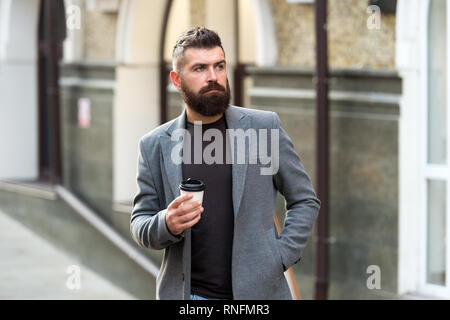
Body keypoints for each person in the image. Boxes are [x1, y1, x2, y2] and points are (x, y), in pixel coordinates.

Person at [130, 27, 320, 300]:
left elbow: (304, 199)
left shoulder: (263, 128)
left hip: (260, 295)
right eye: (199, 69)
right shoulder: (155, 145)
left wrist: (280, 256)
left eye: (219, 66)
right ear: (177, 79)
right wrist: (167, 223)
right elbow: (140, 224)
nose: (213, 77)